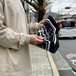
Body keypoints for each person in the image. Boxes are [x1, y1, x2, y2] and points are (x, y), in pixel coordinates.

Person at [0, 0, 46, 76]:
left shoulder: (19, 1)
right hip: (8, 68)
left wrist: (38, 26)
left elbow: (22, 27)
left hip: (21, 66)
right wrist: (27, 39)